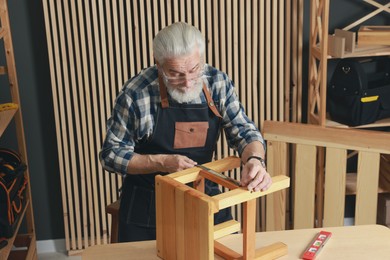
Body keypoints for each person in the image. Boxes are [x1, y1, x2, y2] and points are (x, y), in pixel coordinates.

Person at [99, 22, 272, 242]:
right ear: (158, 63)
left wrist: (255, 160)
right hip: (148, 203)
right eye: (175, 73)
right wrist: (162, 162)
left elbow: (245, 132)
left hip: (202, 195)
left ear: (202, 58)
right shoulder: (136, 93)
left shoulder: (217, 83)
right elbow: (110, 155)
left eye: (194, 70)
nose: (188, 82)